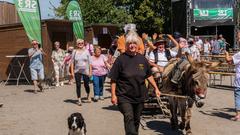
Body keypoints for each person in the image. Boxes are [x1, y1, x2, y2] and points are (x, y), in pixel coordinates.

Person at [109, 30, 161, 135]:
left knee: (137, 120)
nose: (132, 45)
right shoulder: (120, 60)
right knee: (129, 116)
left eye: (134, 43)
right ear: (126, 45)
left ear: (137, 45)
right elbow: (113, 79)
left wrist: (156, 88)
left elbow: (149, 75)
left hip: (139, 96)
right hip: (124, 96)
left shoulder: (142, 59)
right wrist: (113, 95)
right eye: (130, 44)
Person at [71, 39, 92, 106]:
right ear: (77, 44)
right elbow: (72, 63)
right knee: (78, 85)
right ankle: (79, 99)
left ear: (83, 44)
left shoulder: (86, 51)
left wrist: (90, 72)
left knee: (86, 84)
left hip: (85, 70)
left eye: (82, 43)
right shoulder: (74, 51)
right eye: (79, 43)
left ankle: (88, 94)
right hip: (77, 71)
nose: (80, 44)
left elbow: (90, 63)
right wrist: (72, 72)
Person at [225, 51, 240, 121]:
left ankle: (238, 115)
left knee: (238, 96)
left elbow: (228, 60)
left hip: (239, 79)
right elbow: (232, 62)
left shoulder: (239, 54)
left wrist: (227, 54)